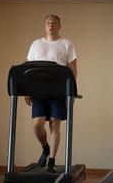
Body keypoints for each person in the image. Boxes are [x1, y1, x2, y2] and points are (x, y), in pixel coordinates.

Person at [25, 14, 77, 173]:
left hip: (58, 91)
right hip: (38, 91)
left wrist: (71, 92)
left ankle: (51, 162)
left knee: (55, 123)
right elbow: (27, 69)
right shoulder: (35, 44)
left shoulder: (67, 44)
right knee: (37, 125)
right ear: (44, 26)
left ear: (59, 26)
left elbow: (73, 69)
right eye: (48, 22)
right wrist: (27, 91)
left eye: (54, 22)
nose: (51, 24)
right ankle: (45, 148)